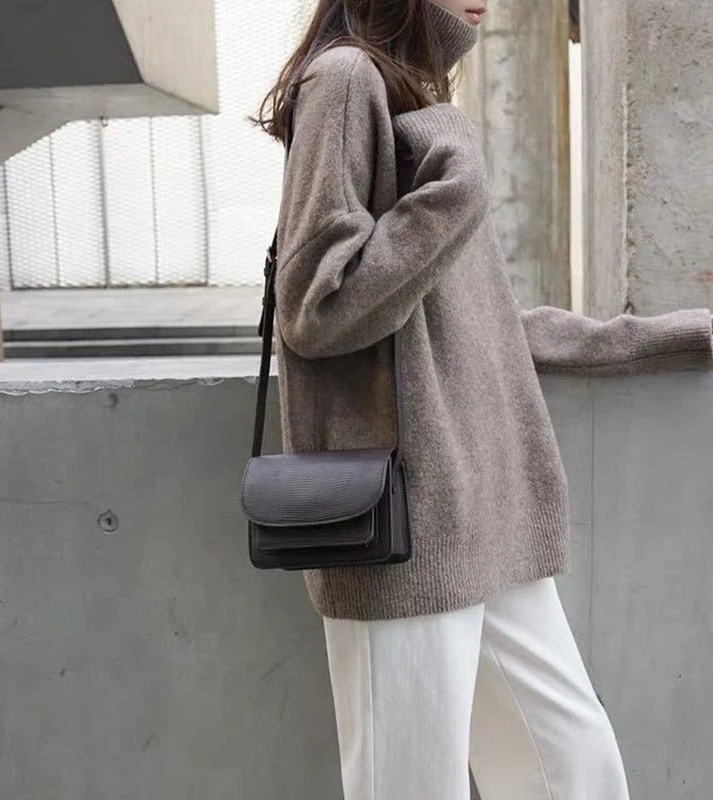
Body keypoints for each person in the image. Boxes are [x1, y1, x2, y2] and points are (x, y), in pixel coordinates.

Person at [252, 1, 713, 797]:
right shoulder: (346, 81)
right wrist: (455, 189)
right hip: (402, 531)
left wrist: (669, 337)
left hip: (485, 518)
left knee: (575, 769)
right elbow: (316, 308)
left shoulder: (413, 103)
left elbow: (477, 323)